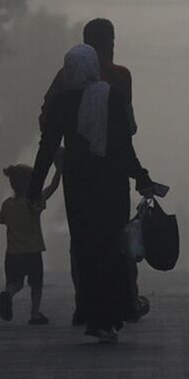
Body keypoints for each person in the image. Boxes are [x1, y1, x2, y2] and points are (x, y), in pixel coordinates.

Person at [30, 44, 156, 343]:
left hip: (79, 187)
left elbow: (47, 149)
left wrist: (35, 188)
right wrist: (142, 178)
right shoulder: (110, 97)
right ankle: (111, 315)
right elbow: (125, 147)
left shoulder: (61, 103)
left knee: (86, 250)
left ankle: (94, 315)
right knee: (112, 249)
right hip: (111, 185)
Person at [0, 153, 62, 325]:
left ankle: (7, 295)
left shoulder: (8, 204)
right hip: (33, 251)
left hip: (12, 253)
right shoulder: (34, 202)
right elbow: (52, 188)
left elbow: (0, 219)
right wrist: (59, 171)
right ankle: (34, 313)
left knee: (15, 283)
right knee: (36, 285)